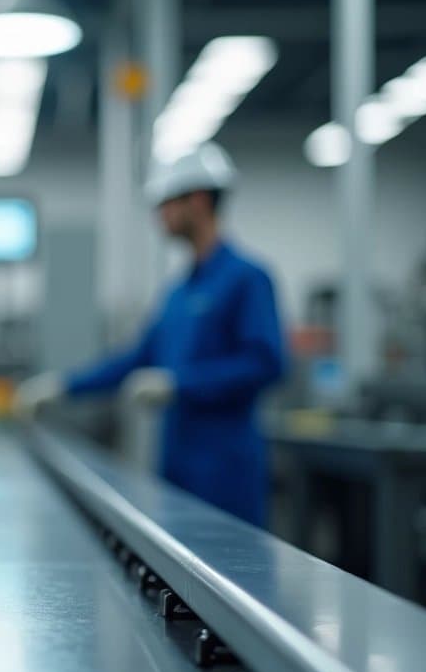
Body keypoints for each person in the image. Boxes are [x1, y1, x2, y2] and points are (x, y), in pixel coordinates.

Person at [16, 142, 285, 527]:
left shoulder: (247, 278)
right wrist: (63, 385)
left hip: (224, 469)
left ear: (197, 200)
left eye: (166, 203)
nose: (159, 216)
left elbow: (265, 363)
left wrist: (178, 384)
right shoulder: (178, 293)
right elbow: (135, 358)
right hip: (176, 463)